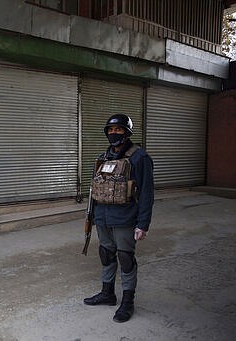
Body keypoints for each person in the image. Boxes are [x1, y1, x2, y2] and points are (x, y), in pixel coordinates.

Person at [83, 114, 154, 323]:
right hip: (102, 218)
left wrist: (143, 224)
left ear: (127, 132)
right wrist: (92, 216)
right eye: (110, 130)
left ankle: (128, 302)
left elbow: (147, 194)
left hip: (125, 218)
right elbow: (96, 188)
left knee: (126, 259)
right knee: (106, 254)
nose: (114, 133)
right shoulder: (104, 157)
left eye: (119, 130)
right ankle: (108, 294)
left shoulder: (140, 157)